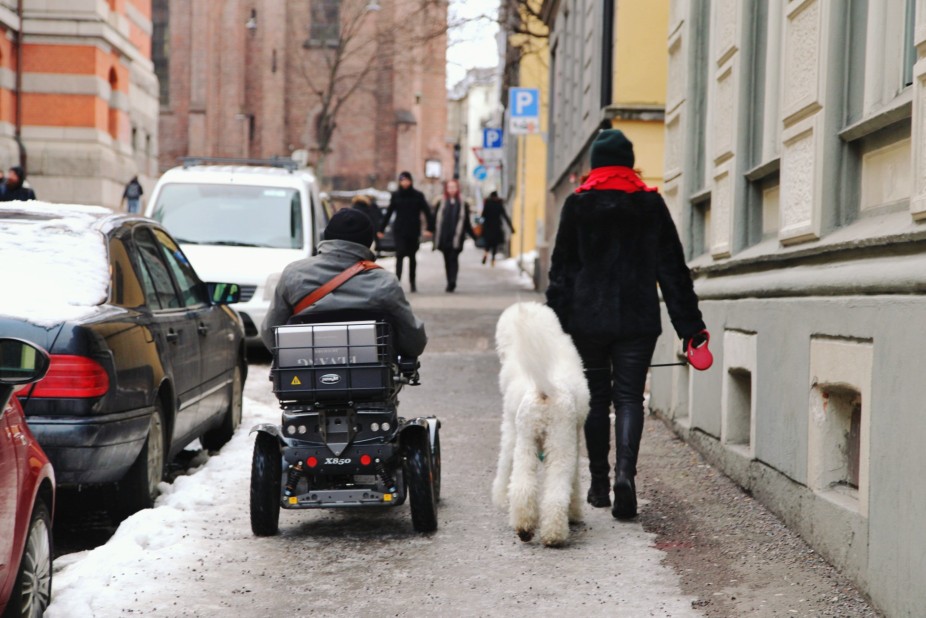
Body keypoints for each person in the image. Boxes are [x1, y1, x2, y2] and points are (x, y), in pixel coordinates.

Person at [545, 129, 708, 520]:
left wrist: (553, 326)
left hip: (588, 322)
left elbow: (561, 274)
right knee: (630, 398)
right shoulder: (651, 206)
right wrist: (691, 329)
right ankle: (625, 477)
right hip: (637, 320)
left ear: (596, 165)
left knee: (597, 399)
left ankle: (599, 485)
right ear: (629, 163)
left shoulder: (577, 205)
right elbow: (673, 272)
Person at [261, 208, 426, 359]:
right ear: (367, 242)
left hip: (306, 380)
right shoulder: (384, 282)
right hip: (370, 383)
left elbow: (270, 333)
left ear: (327, 236)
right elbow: (414, 341)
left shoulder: (294, 274)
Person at [379, 171, 433, 293]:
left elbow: (427, 212)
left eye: (407, 180)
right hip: (399, 230)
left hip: (413, 231)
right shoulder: (396, 195)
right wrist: (381, 229)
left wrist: (430, 228)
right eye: (402, 180)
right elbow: (389, 212)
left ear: (411, 181)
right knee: (400, 255)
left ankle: (412, 283)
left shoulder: (418, 195)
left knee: (412, 257)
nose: (404, 182)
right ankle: (397, 282)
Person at [433, 178, 477, 293]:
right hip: (444, 236)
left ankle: (452, 281)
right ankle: (449, 280)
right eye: (449, 187)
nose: (451, 189)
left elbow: (466, 222)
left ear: (457, 189)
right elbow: (435, 220)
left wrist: (474, 236)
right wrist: (431, 232)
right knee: (447, 260)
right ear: (446, 189)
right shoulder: (441, 202)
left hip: (457, 237)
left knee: (454, 258)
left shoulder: (462, 203)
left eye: (454, 187)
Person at [479, 191, 514, 266]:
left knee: (487, 244)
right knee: (495, 244)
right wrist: (511, 227)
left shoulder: (487, 204)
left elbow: (483, 215)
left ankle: (485, 254)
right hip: (496, 227)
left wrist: (480, 223)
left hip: (488, 227)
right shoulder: (499, 204)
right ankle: (493, 259)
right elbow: (505, 216)